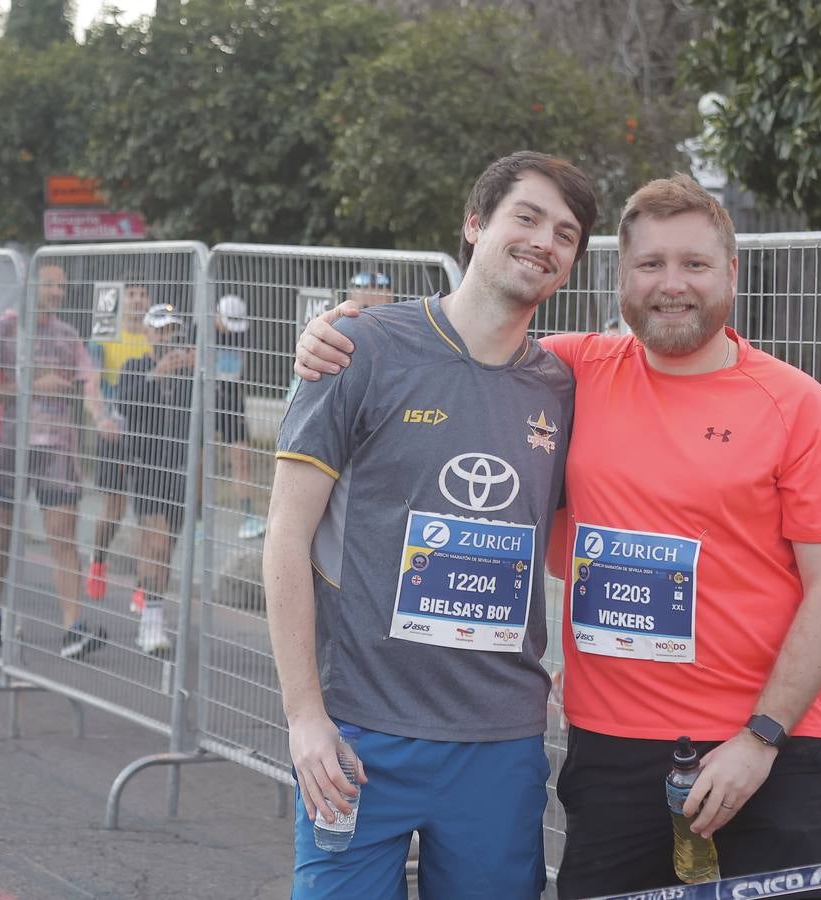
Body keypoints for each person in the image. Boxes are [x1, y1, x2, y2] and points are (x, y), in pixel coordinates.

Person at [296, 174, 821, 898]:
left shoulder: (797, 404)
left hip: (763, 749)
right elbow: (464, 344)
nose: (672, 285)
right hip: (613, 749)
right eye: (650, 265)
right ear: (619, 276)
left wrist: (761, 739)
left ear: (731, 273)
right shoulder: (568, 372)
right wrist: (335, 336)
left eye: (694, 264)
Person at [266, 151, 597, 899]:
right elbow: (285, 536)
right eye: (528, 217)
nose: (545, 241)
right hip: (359, 733)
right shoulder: (359, 349)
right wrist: (304, 719)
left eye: (566, 233)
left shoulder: (562, 386)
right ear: (475, 224)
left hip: (499, 743)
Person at [0, 263, 118, 658]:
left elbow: (90, 383)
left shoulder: (68, 338)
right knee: (1, 533)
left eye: (62, 286)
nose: (57, 292)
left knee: (63, 539)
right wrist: (34, 385)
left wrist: (101, 416)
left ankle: (73, 628)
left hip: (56, 449)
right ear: (31, 284)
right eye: (51, 284)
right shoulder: (5, 331)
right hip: (11, 446)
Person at [115, 304, 196, 656]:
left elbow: (212, 416)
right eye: (160, 331)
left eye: (171, 331)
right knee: (158, 542)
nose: (166, 338)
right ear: (147, 333)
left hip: (179, 469)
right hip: (146, 468)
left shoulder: (190, 374)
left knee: (167, 548)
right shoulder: (135, 367)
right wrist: (155, 376)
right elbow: (125, 405)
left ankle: (152, 610)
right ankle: (151, 622)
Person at [86, 279, 153, 606]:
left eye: (143, 295)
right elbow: (91, 385)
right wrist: (101, 418)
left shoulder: (155, 338)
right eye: (132, 294)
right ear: (123, 300)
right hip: (114, 430)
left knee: (146, 513)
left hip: (146, 435)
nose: (137, 300)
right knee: (114, 508)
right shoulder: (105, 336)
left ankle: (142, 587)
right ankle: (98, 561)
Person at [213, 294, 266, 541]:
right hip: (205, 397)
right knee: (201, 457)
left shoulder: (242, 333)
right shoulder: (199, 332)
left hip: (232, 398)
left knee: (242, 457)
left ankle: (248, 515)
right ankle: (199, 520)